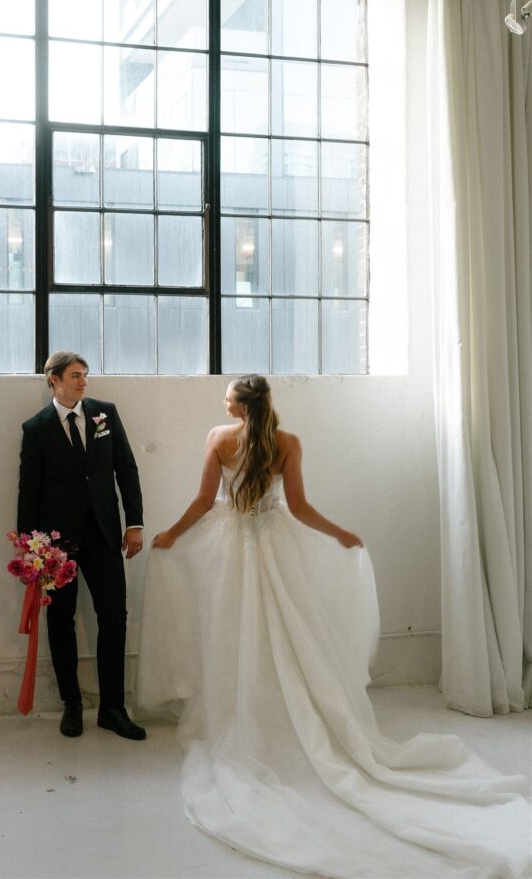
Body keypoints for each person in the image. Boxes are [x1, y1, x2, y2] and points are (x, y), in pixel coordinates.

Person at [137, 375, 531, 879]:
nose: (223, 401)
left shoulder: (218, 437)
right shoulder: (288, 442)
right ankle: (285, 709)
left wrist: (170, 533)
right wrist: (340, 533)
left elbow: (201, 502)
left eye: (228, 396)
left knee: (231, 630)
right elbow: (298, 508)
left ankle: (241, 708)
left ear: (238, 406)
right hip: (274, 544)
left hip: (228, 548)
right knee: (285, 630)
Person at [18, 351, 146, 741]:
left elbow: (126, 468)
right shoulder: (36, 428)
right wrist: (29, 546)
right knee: (61, 621)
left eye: (85, 375)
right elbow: (29, 488)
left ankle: (112, 708)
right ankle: (71, 705)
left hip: (106, 535)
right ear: (53, 380)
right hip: (57, 545)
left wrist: (134, 523)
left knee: (114, 617)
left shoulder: (104, 413)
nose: (83, 382)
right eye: (75, 375)